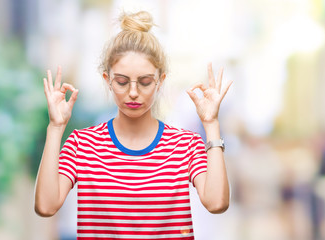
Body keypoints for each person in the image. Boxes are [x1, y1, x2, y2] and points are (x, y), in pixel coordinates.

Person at [34, 10, 232, 239]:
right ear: (107, 80)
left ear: (161, 81)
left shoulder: (185, 145)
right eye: (122, 81)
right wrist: (55, 128)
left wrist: (211, 124)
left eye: (145, 82)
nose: (134, 93)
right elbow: (46, 207)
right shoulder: (83, 144)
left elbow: (217, 203)